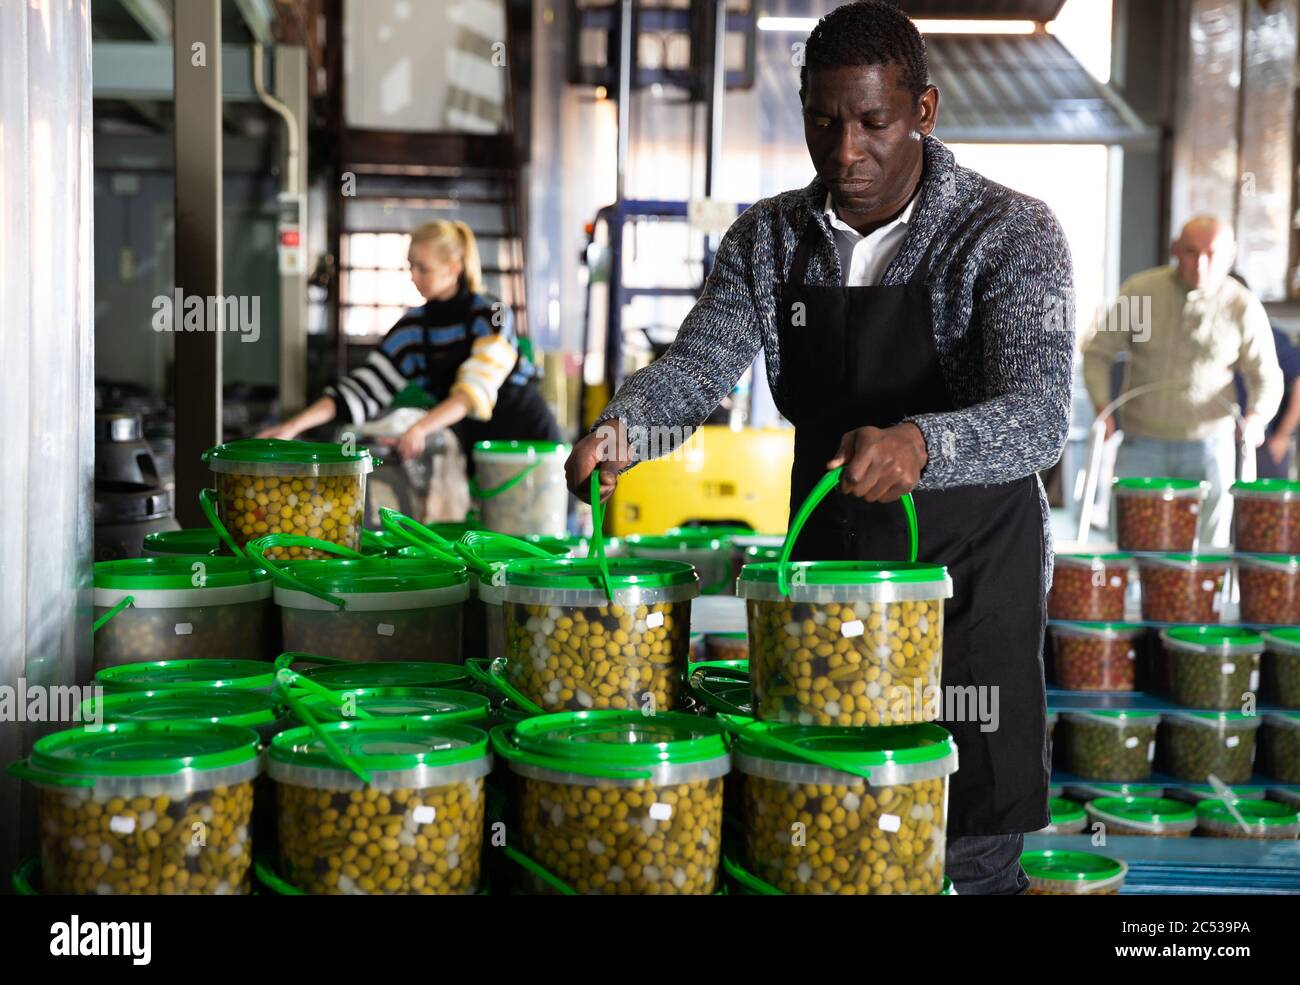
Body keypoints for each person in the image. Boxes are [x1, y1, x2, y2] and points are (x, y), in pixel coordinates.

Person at [565, 1, 1074, 894]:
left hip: (969, 591)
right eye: (824, 122)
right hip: (827, 584)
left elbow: (1037, 416)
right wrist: (623, 430)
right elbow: (697, 367)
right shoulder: (769, 238)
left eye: (874, 122)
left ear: (924, 109)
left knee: (961, 850)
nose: (846, 151)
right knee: (824, 832)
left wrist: (921, 442)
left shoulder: (1009, 233)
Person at [259, 219, 561, 468]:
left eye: (423, 268)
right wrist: (293, 427)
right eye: (410, 266)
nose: (413, 277)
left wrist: (420, 428)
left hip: (528, 437)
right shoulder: (412, 330)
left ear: (454, 267)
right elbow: (363, 389)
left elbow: (473, 391)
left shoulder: (491, 316)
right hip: (477, 443)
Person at [1082, 218, 1282, 544]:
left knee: (1204, 555)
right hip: (1140, 445)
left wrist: (1257, 418)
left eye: (1211, 254)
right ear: (1175, 249)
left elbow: (1267, 375)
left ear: (1230, 256)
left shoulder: (1242, 305)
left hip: (1210, 449)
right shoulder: (1140, 293)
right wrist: (1102, 406)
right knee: (1130, 546)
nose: (1200, 263)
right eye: (1190, 252)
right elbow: (1097, 353)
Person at [1230, 274, 1300, 479]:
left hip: (1262, 440)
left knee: (1264, 507)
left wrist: (1283, 434)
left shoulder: (1269, 335)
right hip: (1212, 438)